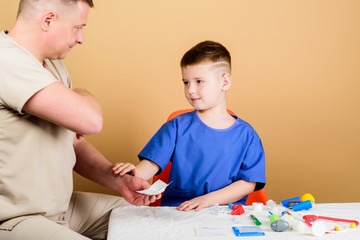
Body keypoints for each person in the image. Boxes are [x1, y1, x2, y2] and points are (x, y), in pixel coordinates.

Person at [0, 1, 159, 239]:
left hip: (61, 210)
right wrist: (83, 94)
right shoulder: (7, 61)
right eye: (77, 27)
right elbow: (91, 122)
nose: (81, 38)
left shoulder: (54, 66)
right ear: (48, 20)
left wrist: (120, 183)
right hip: (16, 219)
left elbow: (73, 143)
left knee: (153, 221)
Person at [113, 40, 266, 212]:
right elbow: (151, 164)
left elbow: (248, 183)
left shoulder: (247, 135)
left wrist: (207, 200)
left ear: (224, 82)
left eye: (199, 81)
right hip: (179, 212)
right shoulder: (176, 126)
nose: (190, 90)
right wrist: (132, 173)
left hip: (226, 215)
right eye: (186, 82)